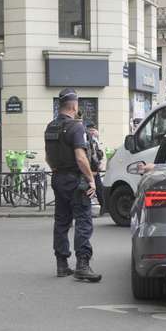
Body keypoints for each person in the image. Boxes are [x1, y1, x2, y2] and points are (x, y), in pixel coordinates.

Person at [44, 89, 102, 282]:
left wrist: (56, 169)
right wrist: (91, 180)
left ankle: (62, 265)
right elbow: (81, 157)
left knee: (61, 222)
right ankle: (82, 265)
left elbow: (48, 157)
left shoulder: (50, 127)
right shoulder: (77, 127)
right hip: (76, 180)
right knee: (83, 221)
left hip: (58, 178)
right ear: (74, 105)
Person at [86, 121, 107, 215]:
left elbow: (99, 153)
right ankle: (87, 211)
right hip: (89, 169)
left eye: (94, 130)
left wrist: (99, 165)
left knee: (99, 189)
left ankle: (104, 207)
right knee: (88, 190)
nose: (93, 132)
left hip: (94, 169)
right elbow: (91, 156)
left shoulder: (95, 140)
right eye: (91, 130)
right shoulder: (87, 140)